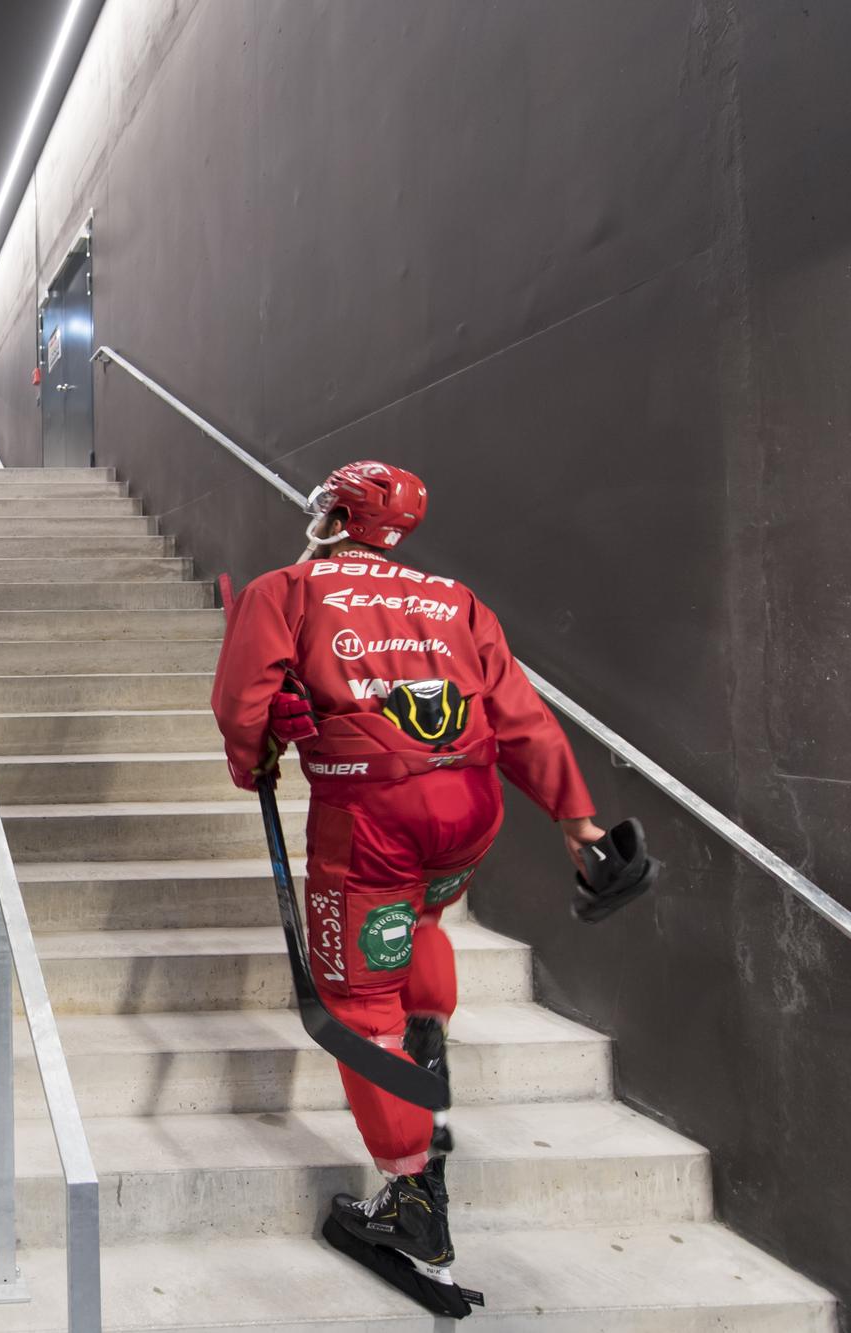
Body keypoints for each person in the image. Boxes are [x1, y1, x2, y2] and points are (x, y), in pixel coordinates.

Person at [210, 460, 614, 1310]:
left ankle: (410, 1202)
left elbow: (241, 703)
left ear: (341, 514)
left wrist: (255, 758)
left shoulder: (288, 588)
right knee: (423, 918)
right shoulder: (454, 599)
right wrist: (577, 822)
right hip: (471, 808)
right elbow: (524, 718)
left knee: (357, 1003)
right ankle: (424, 1035)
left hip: (372, 813)